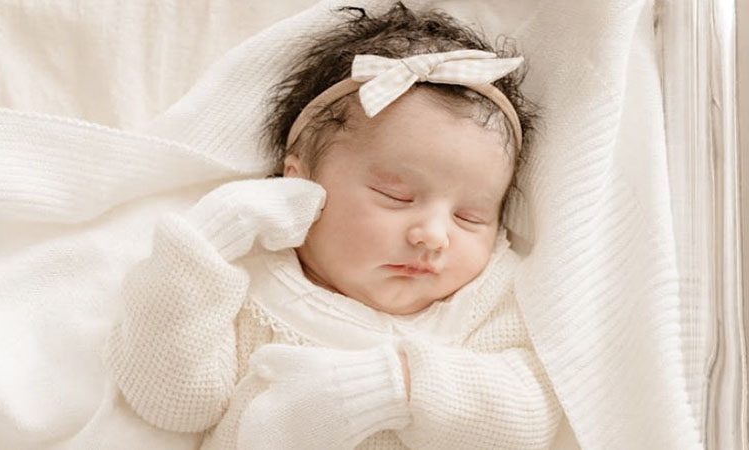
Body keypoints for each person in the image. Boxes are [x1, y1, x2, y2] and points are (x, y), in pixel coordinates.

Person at [104, 3, 561, 449]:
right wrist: (208, 238)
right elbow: (172, 402)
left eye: (471, 217)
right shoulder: (251, 282)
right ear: (298, 184)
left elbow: (530, 418)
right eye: (396, 196)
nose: (435, 235)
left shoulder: (484, 300)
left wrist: (390, 386)